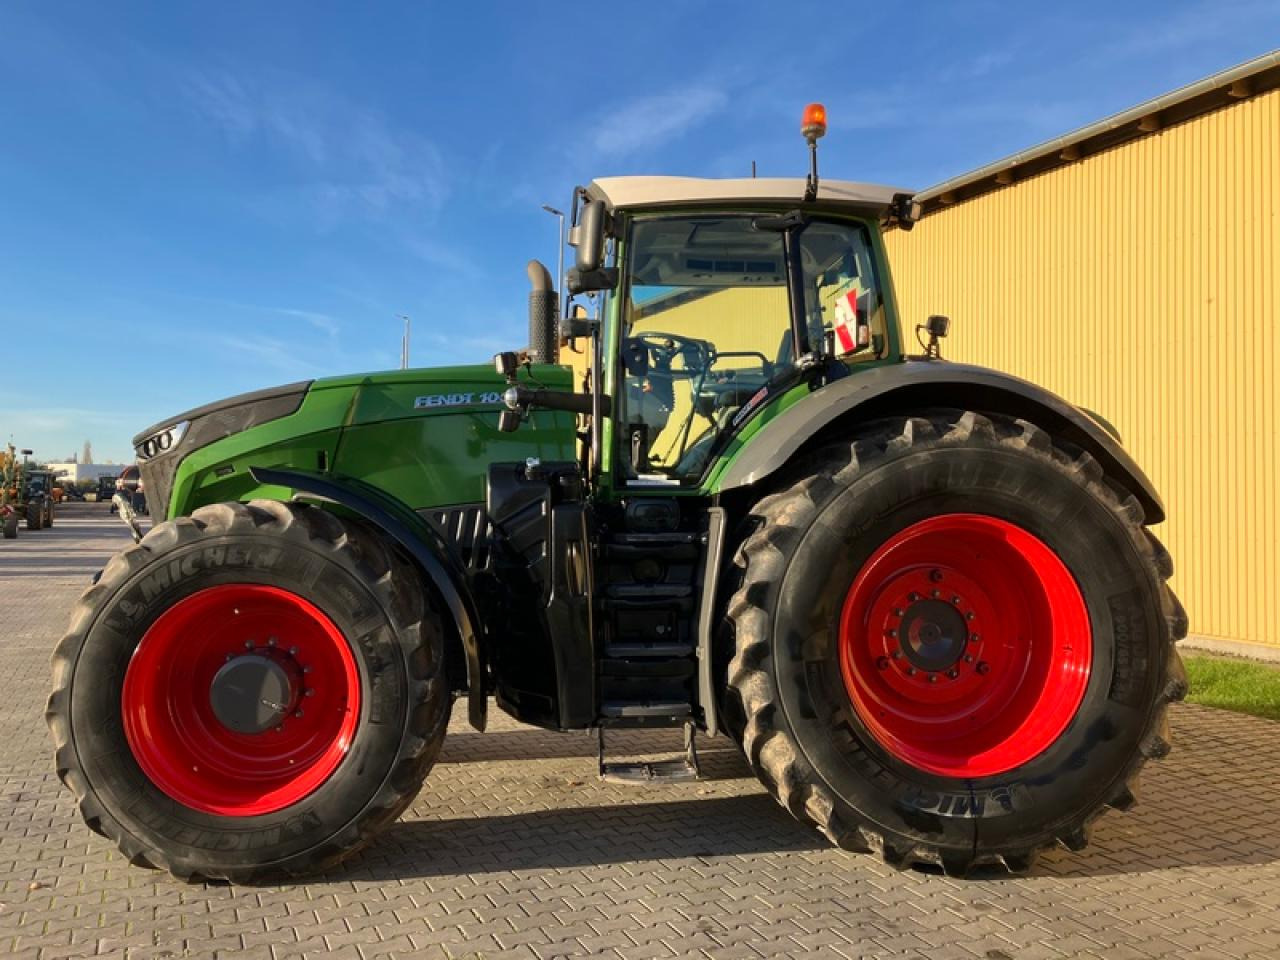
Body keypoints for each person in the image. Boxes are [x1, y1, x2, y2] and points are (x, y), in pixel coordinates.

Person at [112, 472, 143, 543]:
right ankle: (137, 537)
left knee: (134, 524)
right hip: (125, 511)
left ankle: (137, 536)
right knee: (131, 524)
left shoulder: (127, 490)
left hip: (128, 510)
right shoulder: (118, 493)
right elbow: (115, 504)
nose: (122, 482)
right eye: (119, 482)